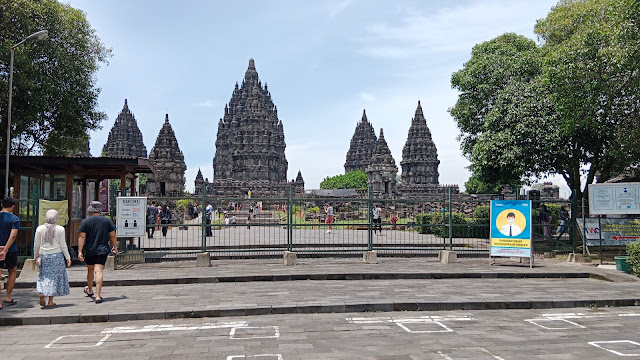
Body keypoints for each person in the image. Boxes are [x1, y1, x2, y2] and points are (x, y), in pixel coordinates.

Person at [78, 201, 117, 304]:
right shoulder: (107, 221)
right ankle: (98, 296)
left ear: (91, 211)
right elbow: (113, 235)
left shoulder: (86, 222)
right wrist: (115, 247)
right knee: (98, 271)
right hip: (102, 249)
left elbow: (82, 237)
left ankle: (90, 290)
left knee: (90, 270)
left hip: (89, 249)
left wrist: (79, 251)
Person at [34, 209, 71, 307]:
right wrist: (68, 257)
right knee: (54, 278)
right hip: (57, 255)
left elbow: (36, 245)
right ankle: (50, 301)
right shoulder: (60, 229)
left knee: (44, 276)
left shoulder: (40, 229)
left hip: (44, 256)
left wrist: (35, 256)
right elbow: (63, 245)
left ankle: (42, 292)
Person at [0, 197, 20, 308]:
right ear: (12, 207)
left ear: (2, 205)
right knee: (12, 271)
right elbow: (13, 235)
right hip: (11, 249)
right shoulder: (14, 219)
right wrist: (5, 249)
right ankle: (7, 296)